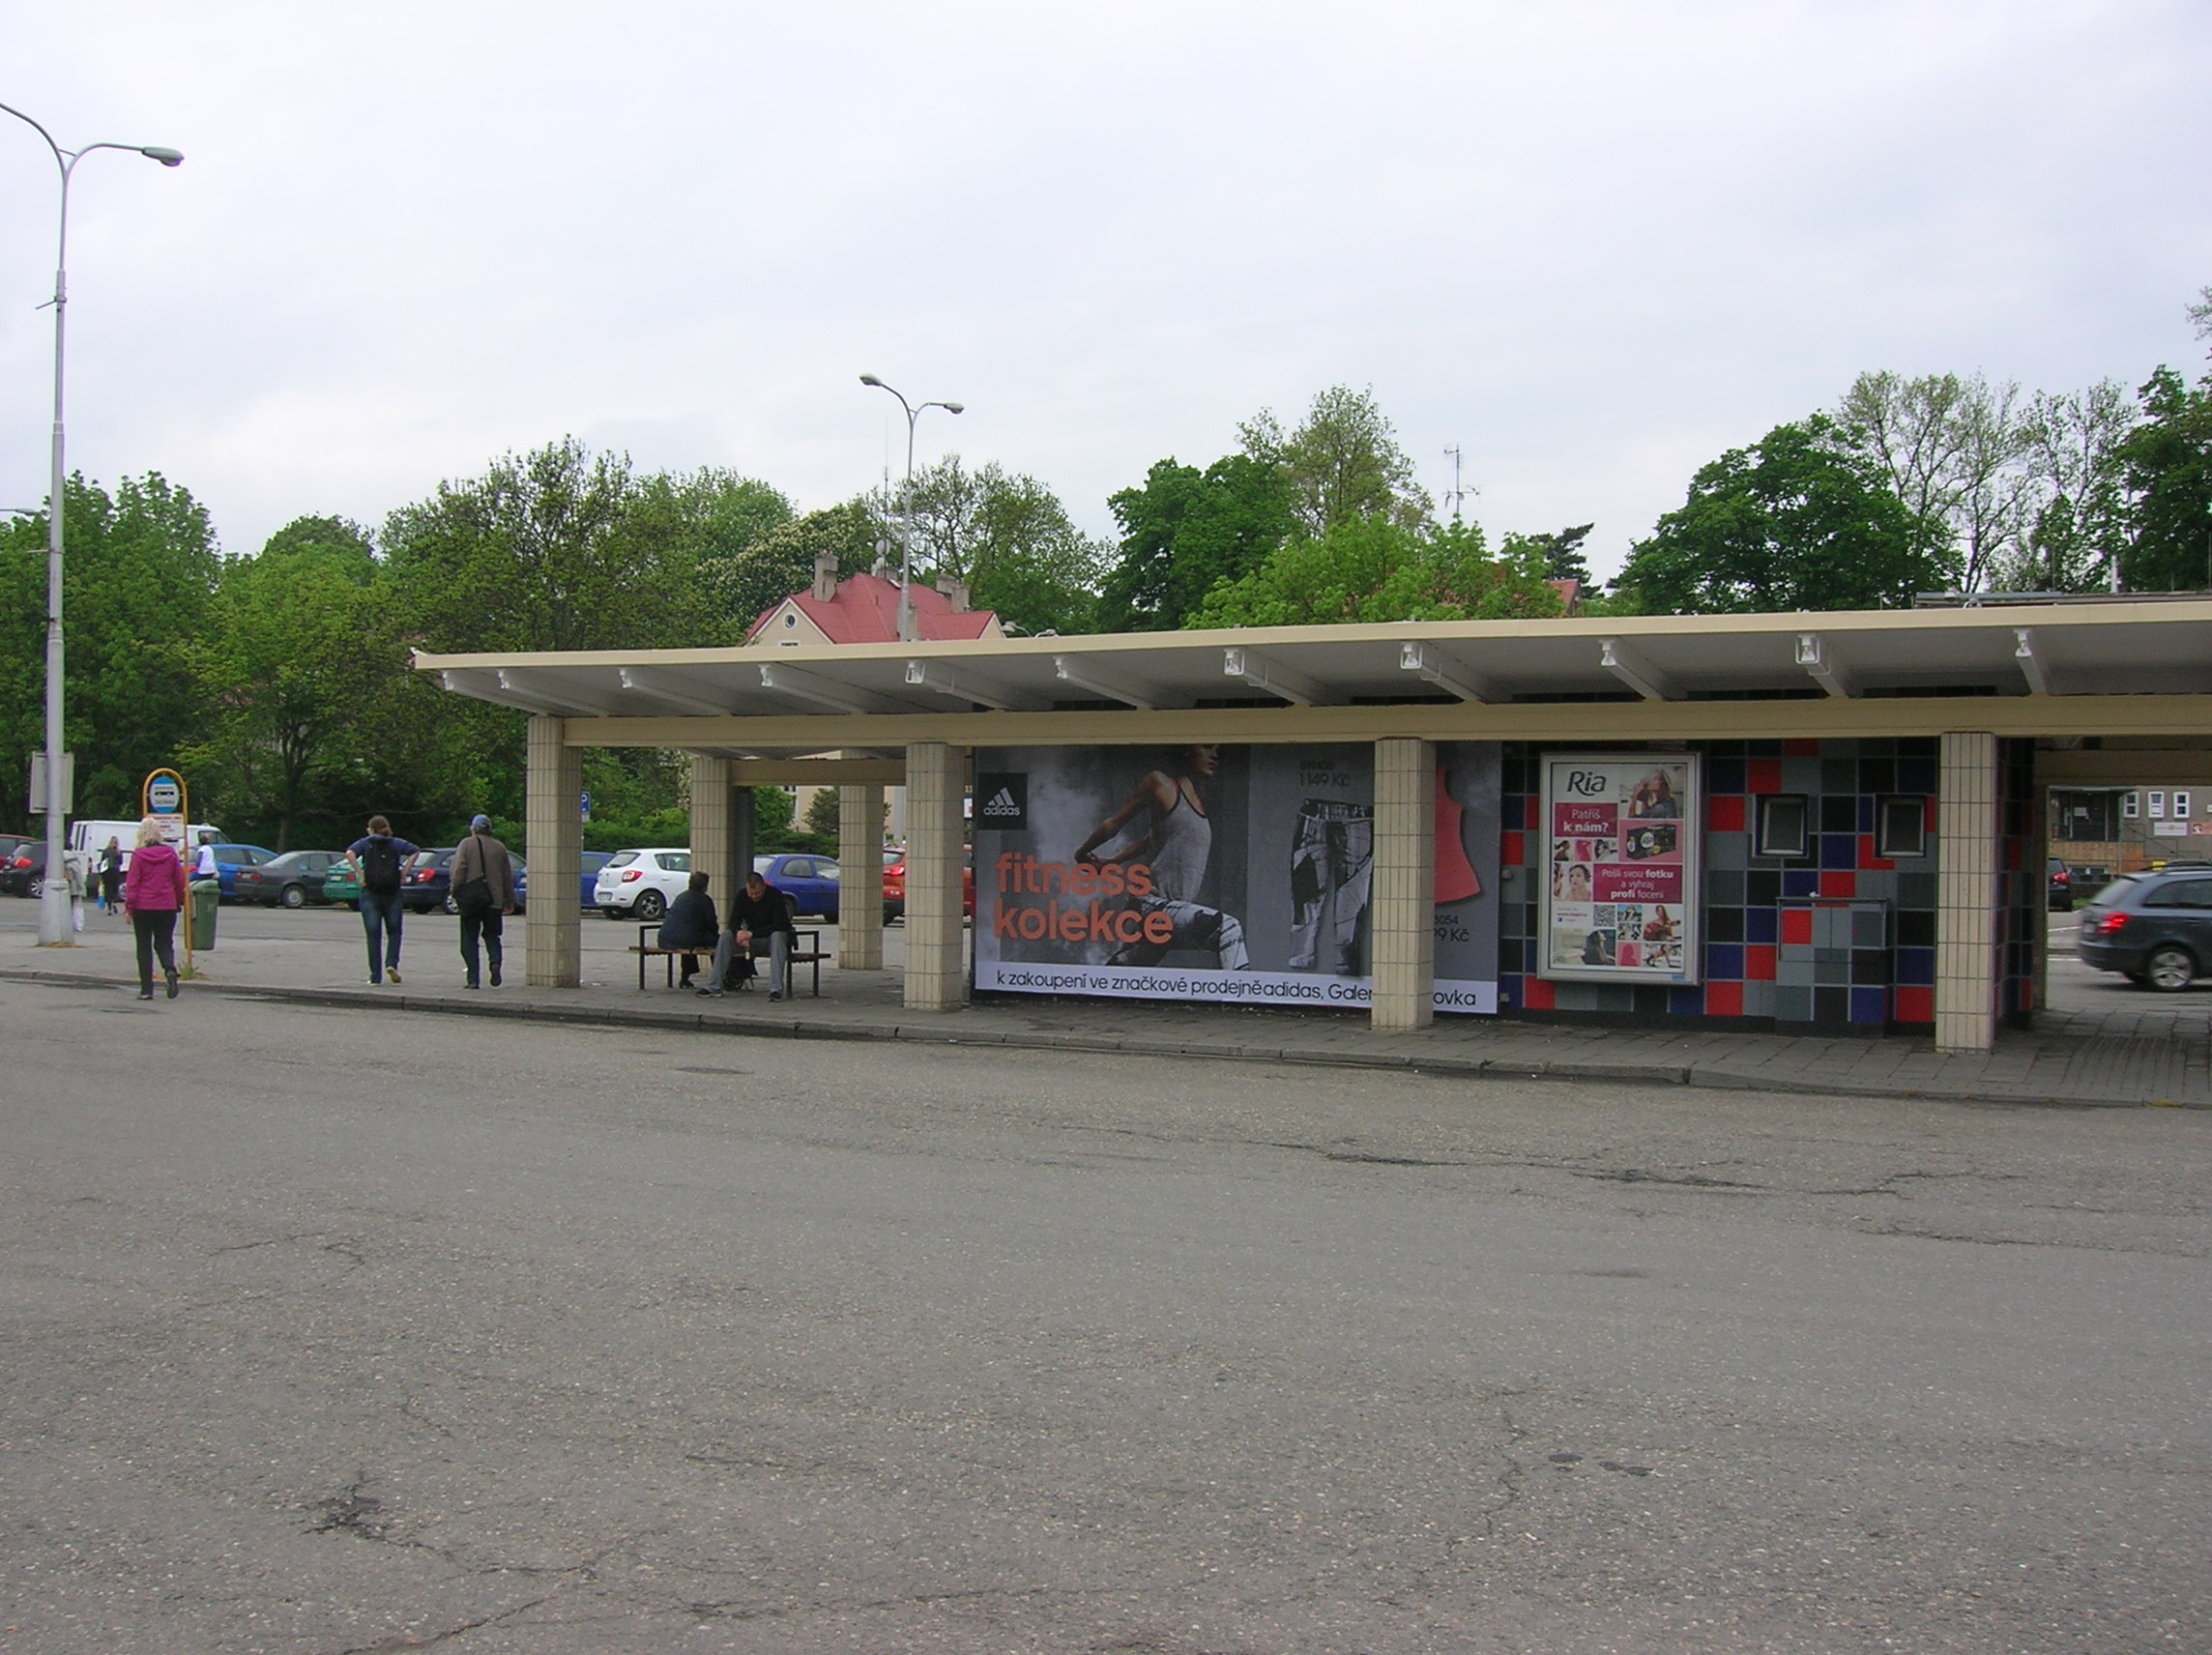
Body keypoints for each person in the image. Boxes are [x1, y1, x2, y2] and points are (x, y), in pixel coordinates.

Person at [1072, 744, 1249, 971]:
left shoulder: (1199, 802)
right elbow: (1112, 824)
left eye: (1217, 748)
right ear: (1186, 751)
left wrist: (1111, 862)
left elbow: (1151, 841)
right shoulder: (1161, 784)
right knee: (1227, 928)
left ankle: (1089, 995)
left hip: (1174, 909)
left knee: (1123, 970)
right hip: (1151, 904)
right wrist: (1081, 853)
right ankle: (1243, 998)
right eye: (1206, 747)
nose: (1214, 754)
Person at [346, 815, 420, 985]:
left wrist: (361, 873)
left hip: (370, 893)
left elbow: (349, 854)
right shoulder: (395, 843)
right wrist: (404, 872)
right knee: (394, 931)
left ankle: (375, 976)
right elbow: (415, 851)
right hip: (392, 892)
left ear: (371, 829)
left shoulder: (366, 842)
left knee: (373, 935)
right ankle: (391, 963)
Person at [704, 869, 797, 1001]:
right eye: (751, 893)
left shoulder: (775, 895)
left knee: (778, 936)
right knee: (726, 937)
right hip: (750, 941)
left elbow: (780, 924)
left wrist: (751, 934)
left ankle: (776, 990)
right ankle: (714, 986)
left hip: (770, 940)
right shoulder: (742, 896)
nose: (754, 896)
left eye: (757, 893)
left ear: (764, 886)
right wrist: (739, 934)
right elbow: (733, 921)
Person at [122, 817, 187, 1000]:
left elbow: (133, 883)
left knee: (143, 946)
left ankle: (146, 990)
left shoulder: (138, 855)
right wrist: (178, 902)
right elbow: (179, 880)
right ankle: (170, 970)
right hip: (166, 905)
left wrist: (129, 908)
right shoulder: (171, 854)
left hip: (143, 906)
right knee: (164, 942)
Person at [449, 814, 515, 989]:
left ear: (474, 828)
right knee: (492, 935)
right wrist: (509, 900)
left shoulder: (466, 844)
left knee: (469, 939)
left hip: (472, 899)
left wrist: (455, 889)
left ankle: (473, 979)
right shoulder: (500, 848)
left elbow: (460, 870)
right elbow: (507, 876)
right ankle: (495, 961)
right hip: (494, 901)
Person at [659, 870, 719, 990]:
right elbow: (711, 922)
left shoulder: (681, 897)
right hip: (688, 939)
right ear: (705, 886)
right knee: (719, 942)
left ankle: (685, 978)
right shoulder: (704, 900)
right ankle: (720, 976)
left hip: (666, 938)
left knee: (688, 938)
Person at [100, 836, 123, 915]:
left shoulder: (105, 851)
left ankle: (109, 907)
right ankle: (114, 903)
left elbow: (102, 862)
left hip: (107, 872)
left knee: (108, 889)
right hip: (115, 871)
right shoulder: (118, 852)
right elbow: (121, 862)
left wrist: (101, 874)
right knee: (115, 888)